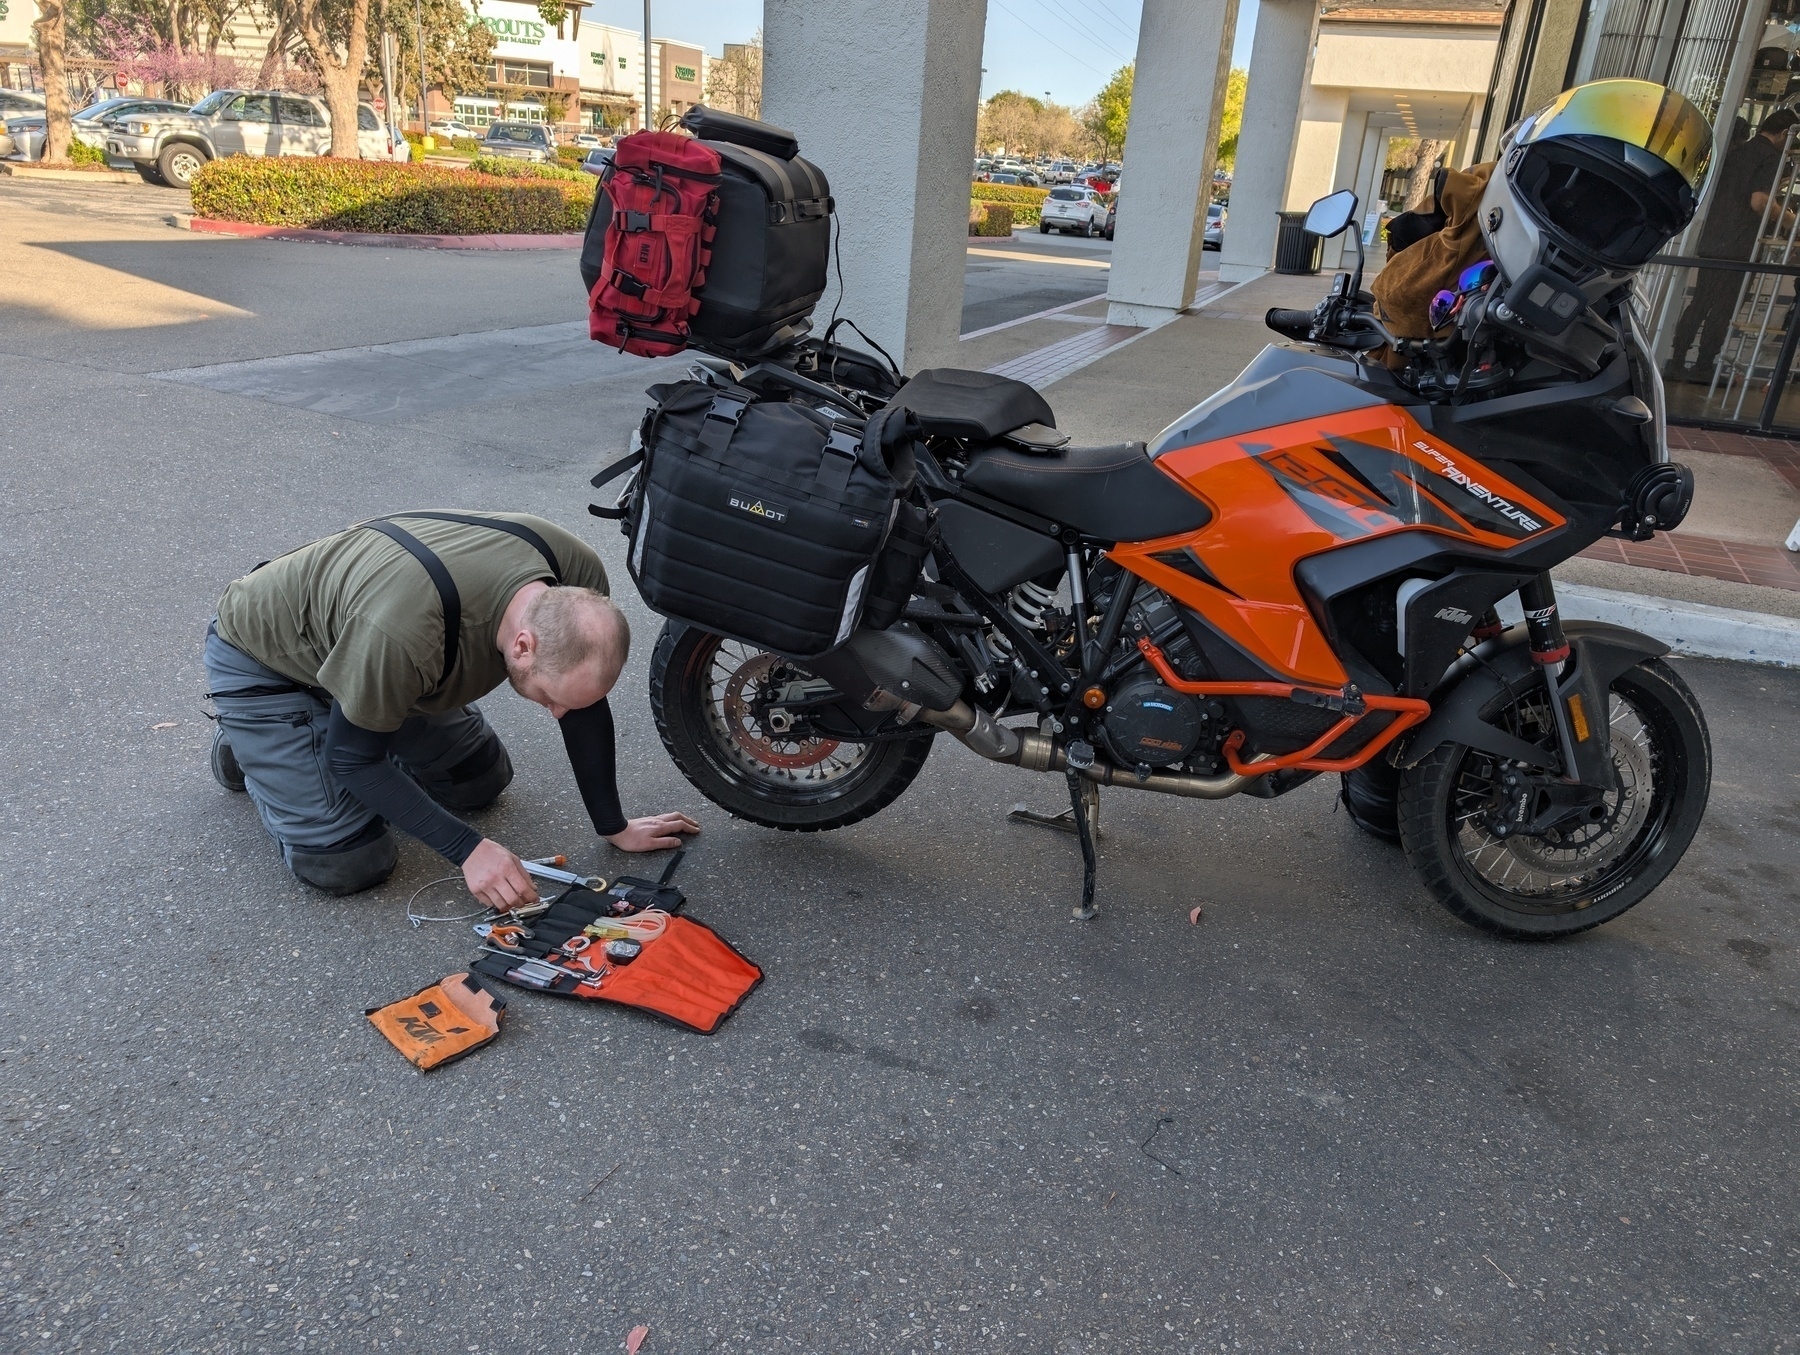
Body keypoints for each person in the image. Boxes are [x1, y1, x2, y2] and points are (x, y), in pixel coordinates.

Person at [203, 510, 698, 905]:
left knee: (479, 780)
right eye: (548, 697)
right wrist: (469, 851)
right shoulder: (406, 634)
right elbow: (352, 759)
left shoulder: (575, 586)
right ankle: (253, 746)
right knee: (350, 863)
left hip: (376, 653)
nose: (554, 712)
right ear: (522, 645)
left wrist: (614, 824)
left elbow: (580, 699)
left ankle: (343, 715)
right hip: (269, 661)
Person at [1666, 108, 1798, 381]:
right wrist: (1788, 220)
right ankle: (1703, 365)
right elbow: (1759, 200)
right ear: (1785, 134)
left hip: (1714, 237)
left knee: (1700, 302)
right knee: (1724, 308)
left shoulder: (1734, 151)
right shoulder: (1771, 158)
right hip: (1740, 245)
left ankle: (1677, 360)